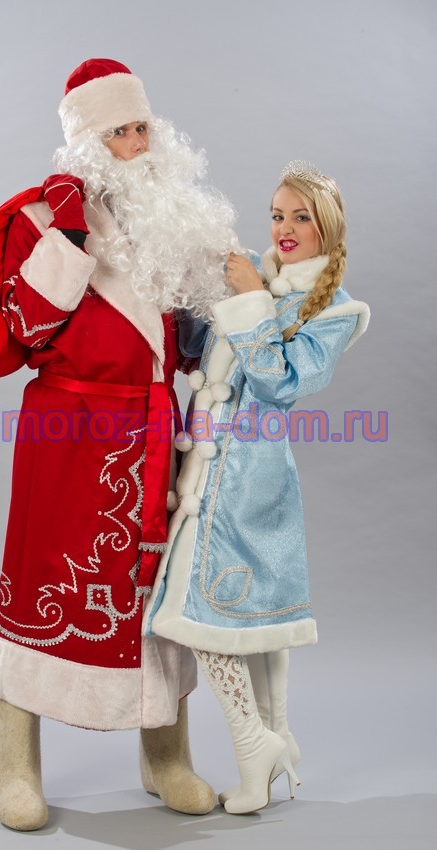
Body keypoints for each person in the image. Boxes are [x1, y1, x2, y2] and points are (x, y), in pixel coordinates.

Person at [0, 58, 241, 830]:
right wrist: (66, 234)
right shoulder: (41, 220)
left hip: (154, 430)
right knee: (44, 586)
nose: (137, 144)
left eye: (141, 128)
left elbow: (190, 342)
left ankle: (165, 758)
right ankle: (14, 765)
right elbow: (27, 329)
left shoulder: (169, 219)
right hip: (69, 434)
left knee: (155, 594)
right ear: (88, 145)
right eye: (119, 132)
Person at [146, 161, 370, 814]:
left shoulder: (333, 308)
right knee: (252, 621)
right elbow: (196, 350)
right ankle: (276, 742)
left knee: (209, 614)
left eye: (301, 217)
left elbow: (279, 382)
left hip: (246, 479)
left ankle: (253, 745)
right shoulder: (255, 272)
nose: (284, 228)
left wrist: (248, 298)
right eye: (276, 214)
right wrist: (196, 280)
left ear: (328, 228)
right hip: (206, 468)